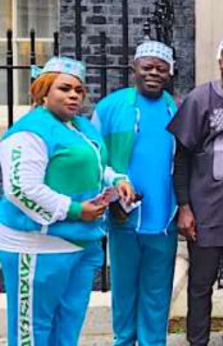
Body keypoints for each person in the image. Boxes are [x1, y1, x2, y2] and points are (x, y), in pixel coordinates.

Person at [0, 56, 134, 346]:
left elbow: (97, 165)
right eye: (64, 88)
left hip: (80, 243)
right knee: (32, 331)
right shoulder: (29, 131)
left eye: (78, 90)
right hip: (36, 246)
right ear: (43, 91)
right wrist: (75, 210)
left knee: (68, 323)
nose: (74, 95)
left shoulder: (81, 126)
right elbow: (22, 190)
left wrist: (116, 180)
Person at [167, 31, 223, 346]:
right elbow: (181, 158)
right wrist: (184, 207)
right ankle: (198, 341)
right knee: (201, 285)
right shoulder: (199, 98)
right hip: (204, 211)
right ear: (219, 62)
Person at [92, 40, 178, 346]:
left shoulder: (177, 108)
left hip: (164, 220)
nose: (154, 73)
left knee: (157, 293)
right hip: (124, 218)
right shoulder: (110, 107)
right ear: (134, 70)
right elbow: (94, 159)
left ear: (170, 72)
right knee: (124, 290)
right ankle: (124, 341)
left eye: (161, 68)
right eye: (147, 67)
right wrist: (111, 193)